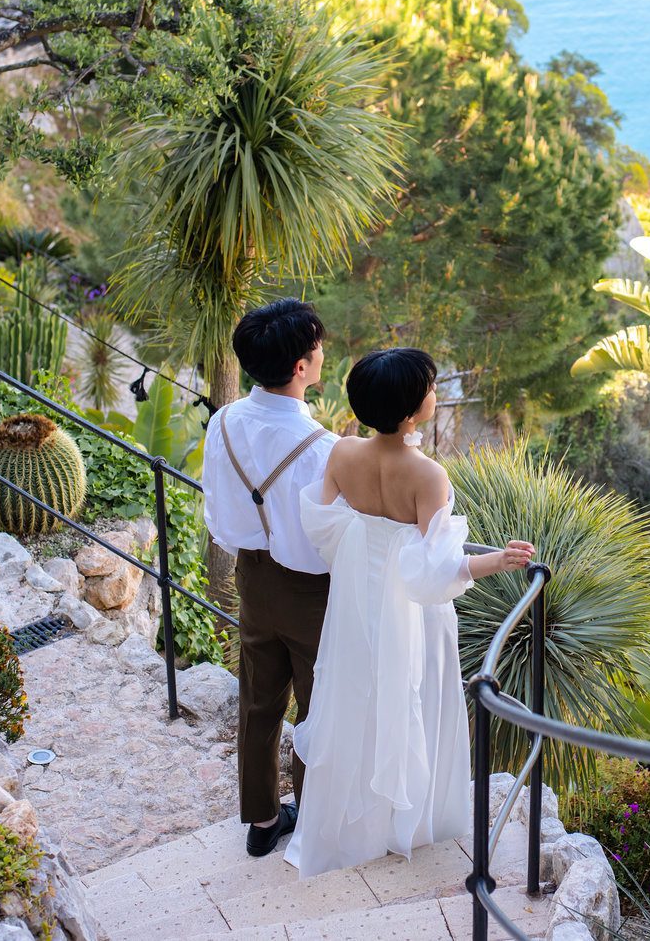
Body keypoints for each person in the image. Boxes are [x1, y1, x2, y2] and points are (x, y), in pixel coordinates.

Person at [285, 347, 534, 877]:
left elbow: (324, 525)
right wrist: (502, 559)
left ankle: (352, 829)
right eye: (428, 386)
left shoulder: (342, 454)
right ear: (408, 410)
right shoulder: (428, 476)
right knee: (414, 698)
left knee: (358, 699)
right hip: (413, 617)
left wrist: (368, 542)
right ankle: (411, 824)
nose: (433, 392)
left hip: (356, 603)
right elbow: (438, 571)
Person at [201, 298, 337, 858]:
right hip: (311, 591)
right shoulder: (324, 449)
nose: (323, 353)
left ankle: (260, 821)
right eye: (318, 347)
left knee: (259, 701)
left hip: (251, 575)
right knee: (317, 704)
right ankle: (309, 819)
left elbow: (217, 509)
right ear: (301, 367)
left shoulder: (224, 420)